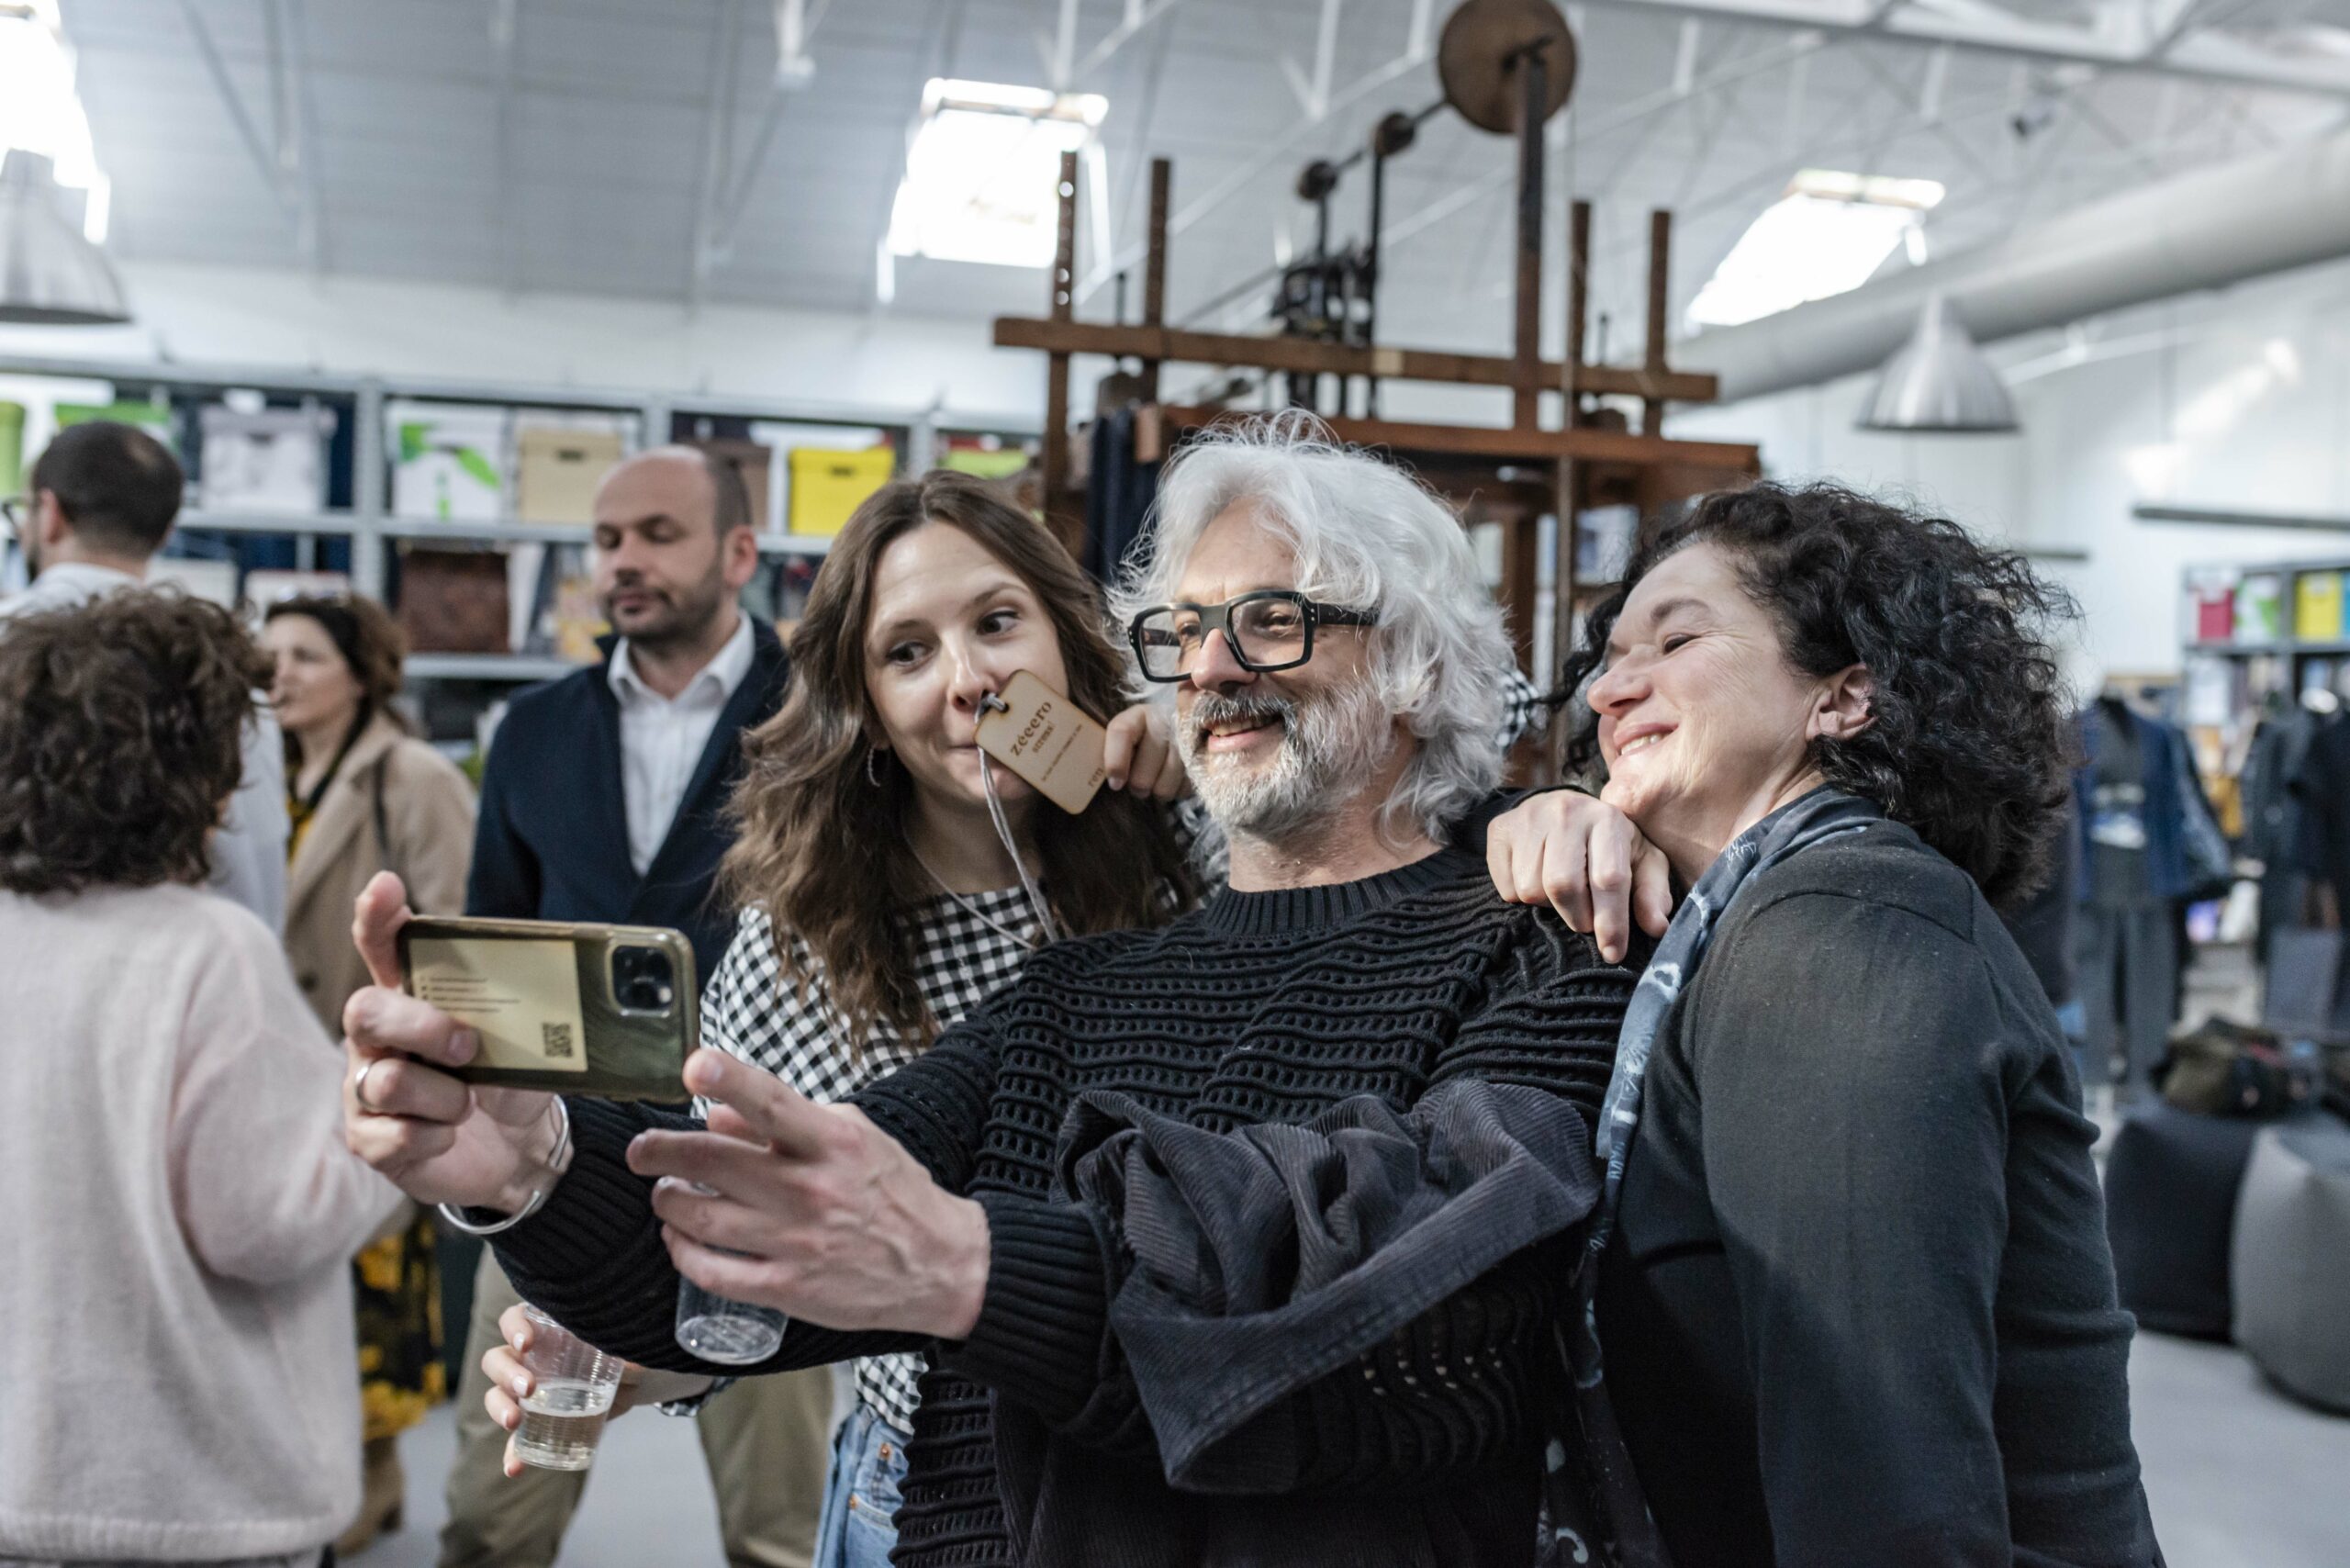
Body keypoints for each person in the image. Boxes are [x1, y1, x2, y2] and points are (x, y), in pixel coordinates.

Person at [340, 417, 1637, 1568]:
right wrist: (534, 1160)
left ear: (1414, 658)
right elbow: (749, 1222)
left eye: (1270, 620)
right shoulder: (1068, 993)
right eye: (1184, 634)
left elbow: (1430, 1305)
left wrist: (968, 1265)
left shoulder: (1544, 939)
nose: (1210, 668)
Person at [1486, 483, 2161, 1566]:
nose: (1610, 688)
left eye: (1676, 640)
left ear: (1844, 697)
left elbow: (1885, 1490)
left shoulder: (1839, 934)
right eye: (1608, 659)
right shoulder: (1751, 919)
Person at [441, 445, 832, 1568]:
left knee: (777, 1530)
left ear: (739, 552)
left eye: (658, 534)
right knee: (495, 1517)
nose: (623, 560)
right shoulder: (533, 729)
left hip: (757, 1162)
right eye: (608, 539)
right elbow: (498, 926)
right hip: (559, 1161)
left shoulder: (825, 716)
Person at [0, 590, 399, 1568]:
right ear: (198, 770)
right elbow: (265, 1221)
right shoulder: (206, 950)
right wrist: (379, 1114)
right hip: (192, 1495)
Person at [262, 592, 477, 1556]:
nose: (280, 674)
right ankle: (343, 1470)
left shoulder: (410, 774)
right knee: (305, 1280)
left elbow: (459, 928)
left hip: (372, 1069)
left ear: (361, 673)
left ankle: (375, 1470)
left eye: (305, 655)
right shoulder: (268, 778)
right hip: (281, 1071)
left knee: (374, 1277)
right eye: (271, 656)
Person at [1, 418, 288, 930]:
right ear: (166, 531)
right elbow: (252, 868)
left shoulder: (7, 639)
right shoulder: (216, 662)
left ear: (49, 514)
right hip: (169, 963)